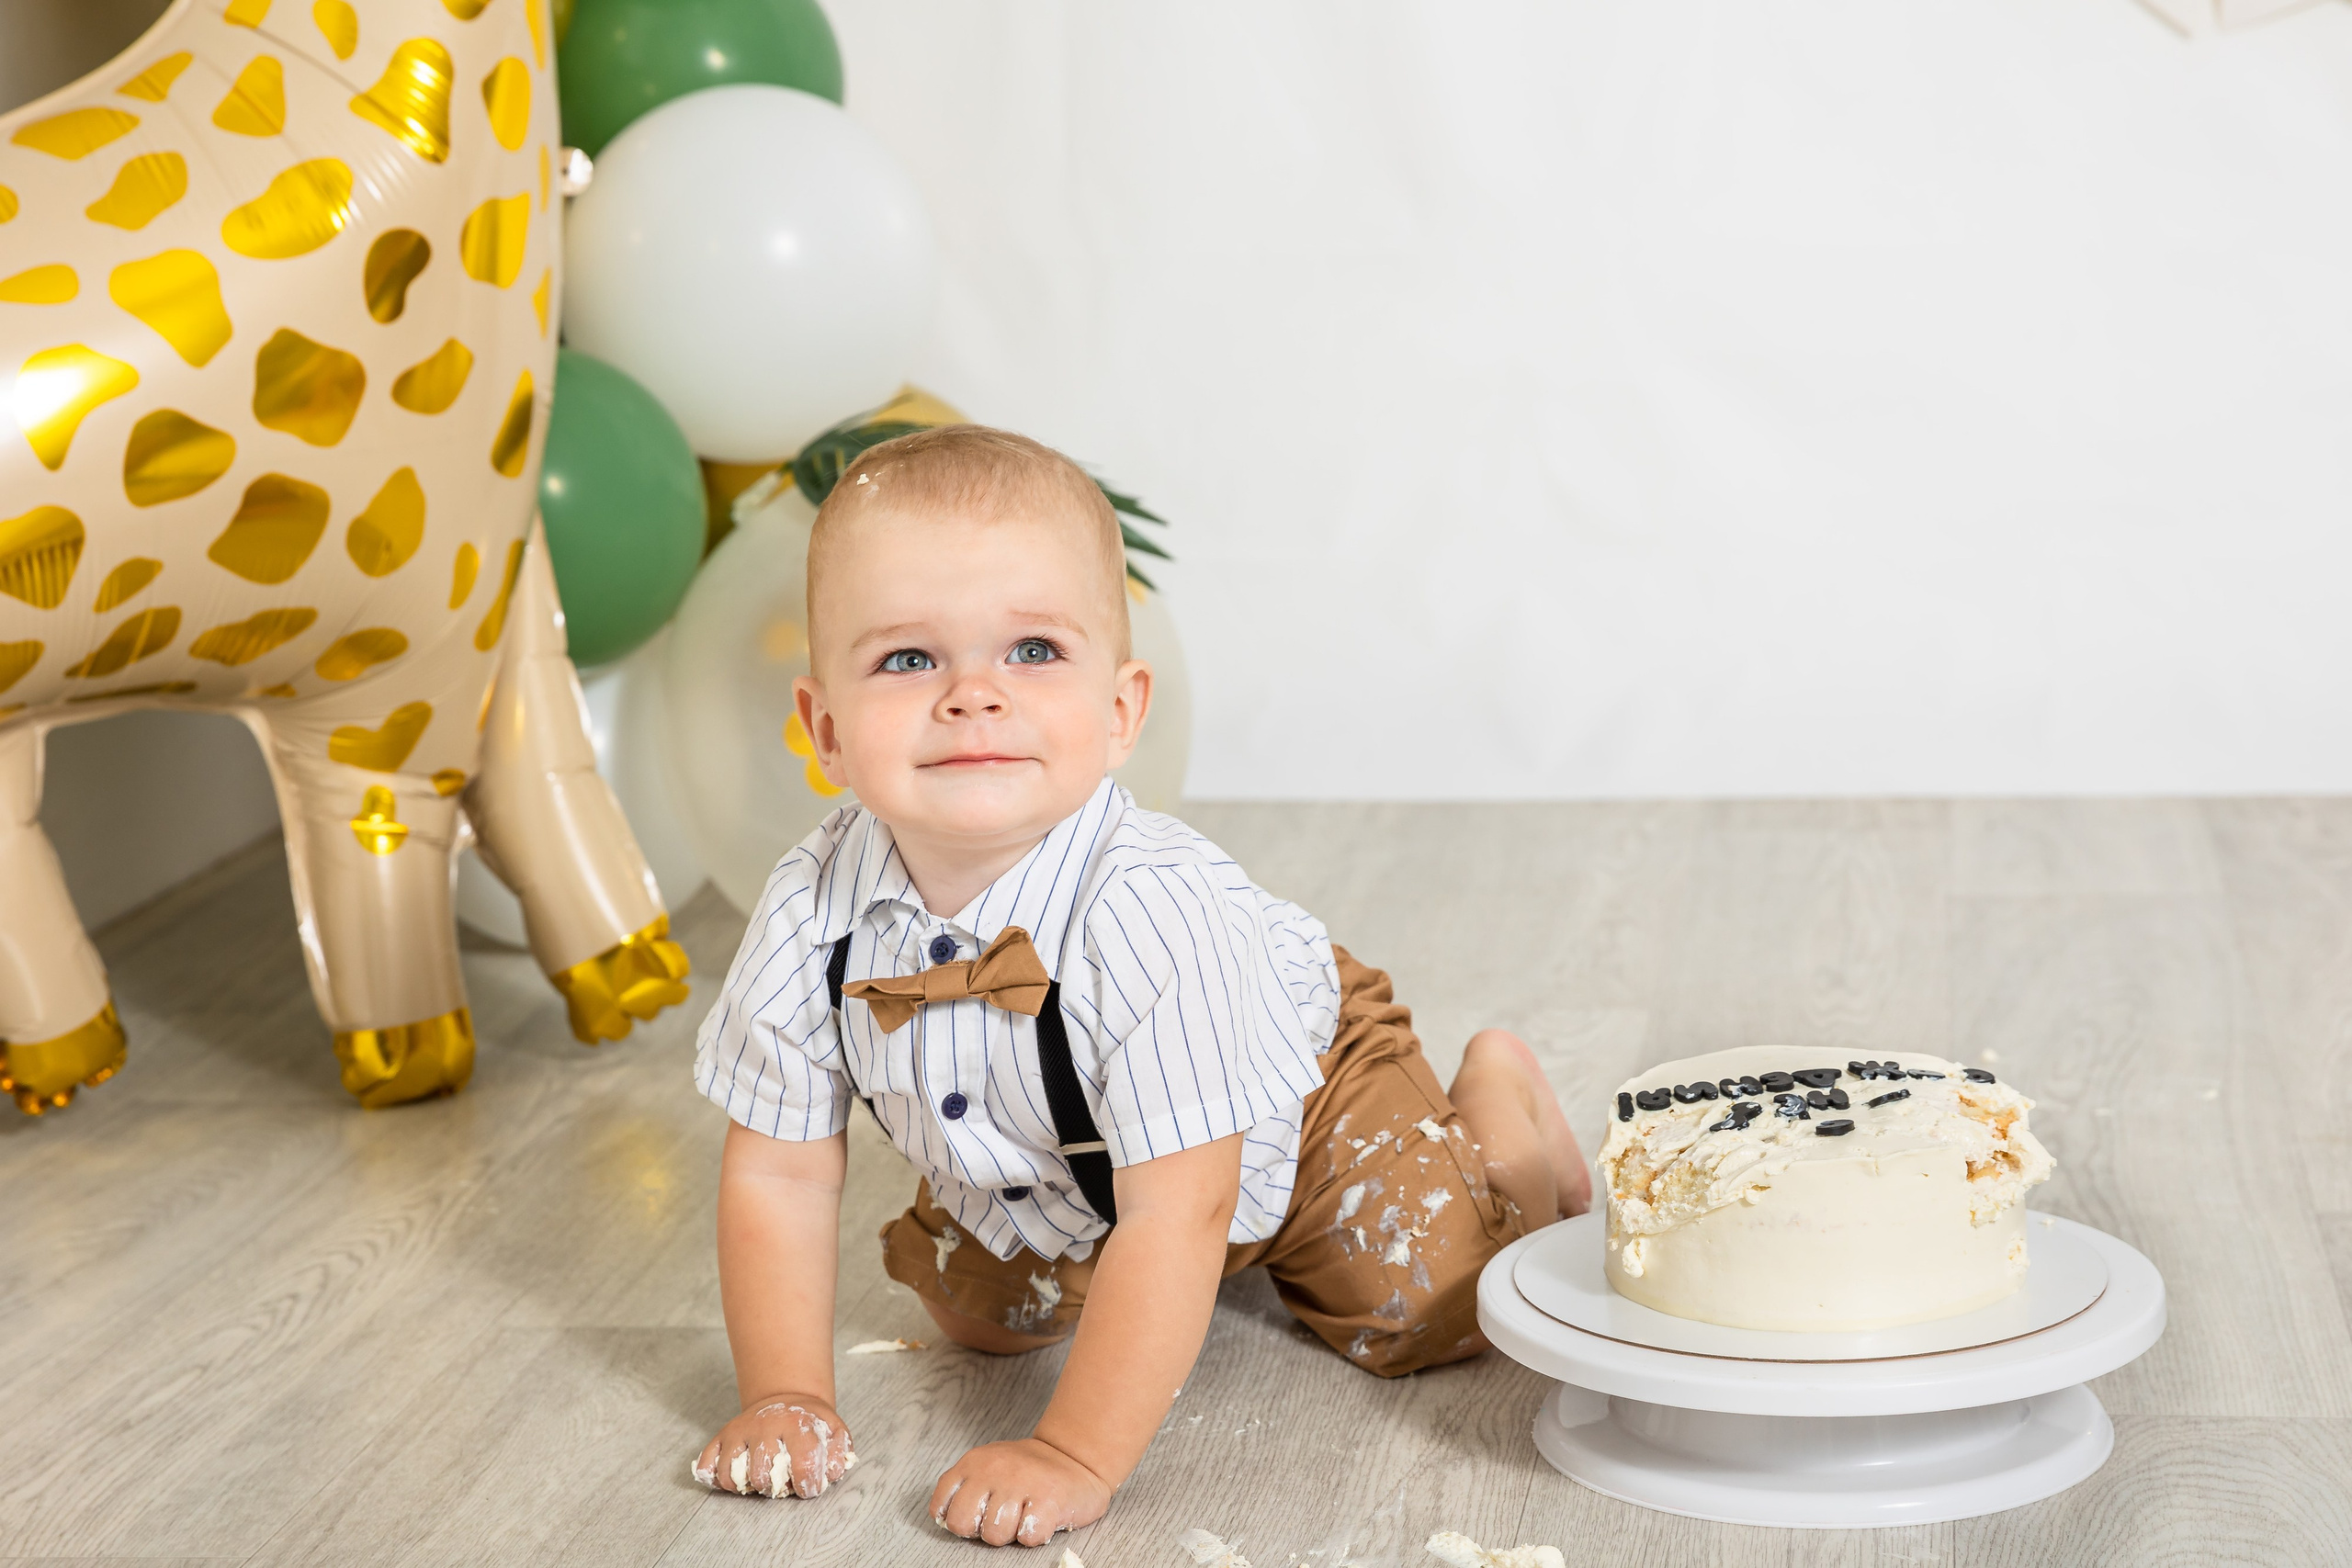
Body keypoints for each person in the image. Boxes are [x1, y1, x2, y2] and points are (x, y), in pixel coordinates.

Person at [690, 425, 1589, 1545]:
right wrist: (786, 1393)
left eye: (1031, 651)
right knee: (979, 1321)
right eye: (908, 660)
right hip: (1066, 1162)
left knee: (1440, 1309)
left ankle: (1499, 1111)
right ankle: (1137, 1288)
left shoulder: (1149, 912)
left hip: (1303, 1102)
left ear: (1120, 713)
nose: (973, 694)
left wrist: (1070, 1453)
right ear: (824, 728)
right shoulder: (808, 907)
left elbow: (1183, 1204)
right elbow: (776, 1173)